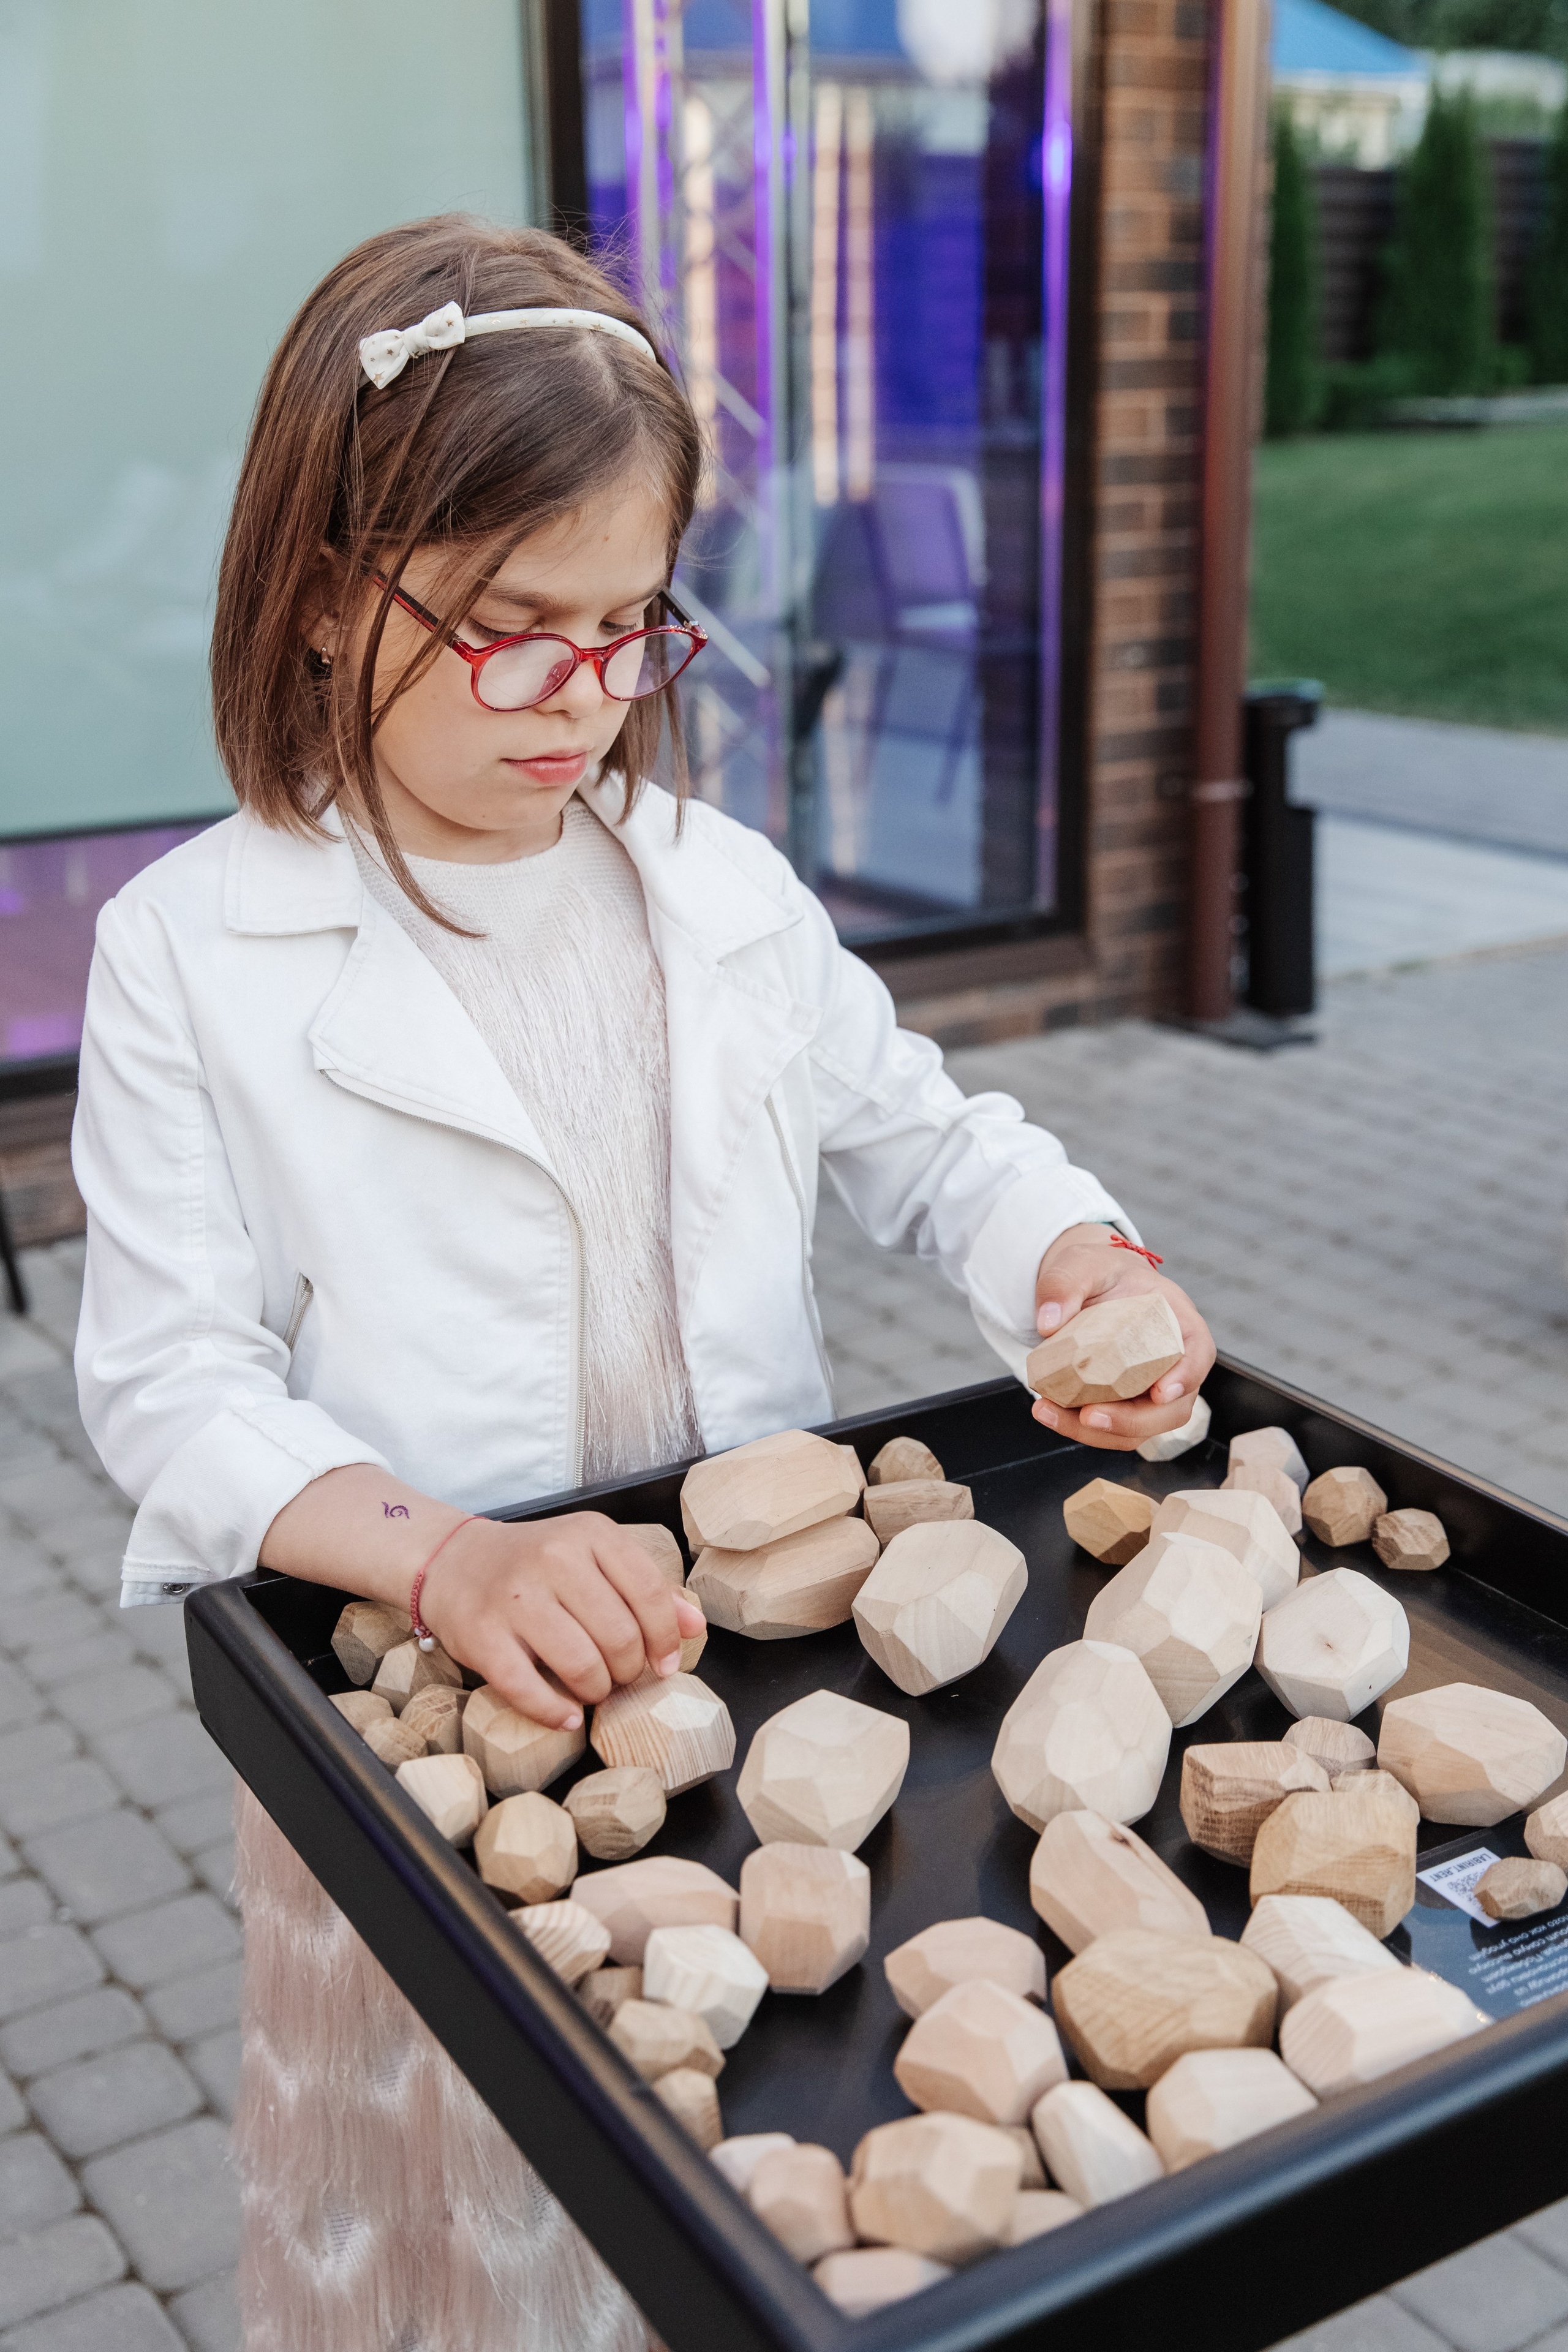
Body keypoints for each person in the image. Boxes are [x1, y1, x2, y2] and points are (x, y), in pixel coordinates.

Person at [71, 216, 1215, 2351]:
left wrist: (1075, 1258)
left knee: (742, 2190)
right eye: (513, 630)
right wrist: (450, 1564)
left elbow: (930, 1139)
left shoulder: (725, 894)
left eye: (631, 631)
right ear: (329, 593)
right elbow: (169, 1384)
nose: (583, 700)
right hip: (438, 1738)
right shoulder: (187, 951)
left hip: (754, 1691)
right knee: (467, 2227)